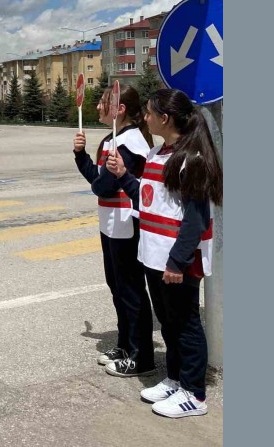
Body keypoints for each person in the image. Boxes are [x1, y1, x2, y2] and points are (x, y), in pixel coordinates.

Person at [105, 88, 222, 419]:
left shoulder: (191, 159)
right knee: (169, 324)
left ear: (165, 118)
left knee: (185, 325)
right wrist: (123, 176)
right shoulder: (159, 152)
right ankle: (175, 379)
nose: (146, 117)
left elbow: (195, 219)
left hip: (177, 261)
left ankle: (194, 394)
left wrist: (177, 262)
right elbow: (146, 199)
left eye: (151, 113)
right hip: (154, 257)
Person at [74, 85, 155, 378]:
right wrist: (80, 154)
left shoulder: (130, 143)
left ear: (119, 109)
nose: (97, 107)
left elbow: (103, 185)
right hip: (109, 222)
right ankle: (124, 345)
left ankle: (142, 356)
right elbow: (97, 180)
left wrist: (93, 170)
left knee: (131, 290)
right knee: (117, 287)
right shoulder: (113, 138)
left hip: (126, 223)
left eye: (103, 102)